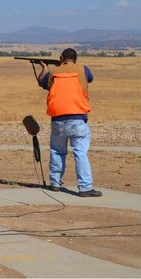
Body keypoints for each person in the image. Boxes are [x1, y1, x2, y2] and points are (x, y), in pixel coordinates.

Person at [37, 47, 101, 197]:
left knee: (57, 151)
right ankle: (85, 188)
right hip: (78, 118)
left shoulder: (53, 72)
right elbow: (90, 78)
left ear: (61, 58)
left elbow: (42, 82)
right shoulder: (83, 69)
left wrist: (45, 68)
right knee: (80, 153)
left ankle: (55, 183)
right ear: (76, 59)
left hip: (58, 119)